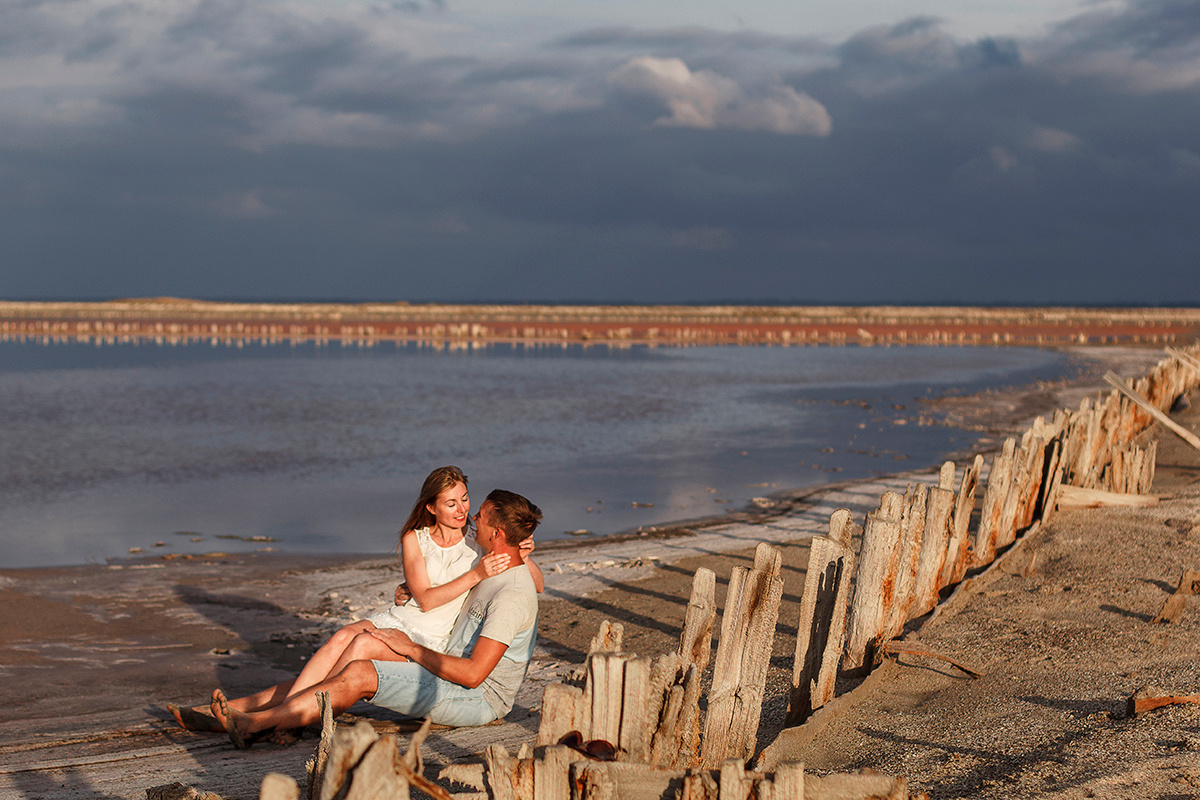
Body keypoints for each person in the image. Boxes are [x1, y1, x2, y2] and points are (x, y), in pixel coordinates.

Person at [169, 467, 542, 731]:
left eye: (471, 505)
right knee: (341, 642)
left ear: (494, 532)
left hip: (442, 656)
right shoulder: (483, 555)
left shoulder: (490, 566)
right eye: (456, 503)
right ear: (432, 506)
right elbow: (446, 584)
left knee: (354, 656)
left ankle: (272, 720)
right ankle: (243, 710)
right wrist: (408, 589)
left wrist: (523, 554)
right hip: (417, 628)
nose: (468, 513)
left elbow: (527, 586)